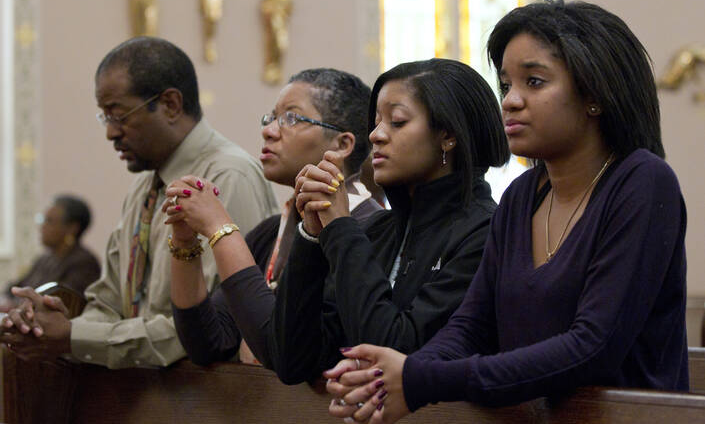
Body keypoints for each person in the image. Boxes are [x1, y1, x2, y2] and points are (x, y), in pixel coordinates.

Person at [325, 0, 688, 424]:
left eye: (534, 82)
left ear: (594, 95)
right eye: (506, 85)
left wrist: (423, 378)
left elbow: (592, 347)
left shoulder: (642, 183)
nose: (511, 101)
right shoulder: (520, 197)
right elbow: (471, 326)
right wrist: (398, 374)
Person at [0, 36, 278, 368]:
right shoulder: (144, 186)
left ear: (171, 105)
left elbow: (213, 327)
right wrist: (52, 328)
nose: (110, 133)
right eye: (105, 118)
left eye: (119, 115)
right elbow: (109, 303)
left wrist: (74, 336)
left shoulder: (229, 177)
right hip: (139, 395)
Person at [258, 58, 509, 385]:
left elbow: (397, 351)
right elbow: (293, 361)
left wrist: (340, 228)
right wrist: (311, 235)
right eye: (376, 122)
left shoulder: (486, 233)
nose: (376, 136)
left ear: (448, 135)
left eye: (398, 121)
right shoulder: (377, 231)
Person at [167, 68, 380, 366]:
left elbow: (282, 351)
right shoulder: (269, 233)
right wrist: (184, 241)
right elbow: (208, 343)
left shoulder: (372, 231)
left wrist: (219, 228)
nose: (268, 130)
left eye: (291, 118)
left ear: (342, 145)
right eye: (271, 118)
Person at [1, 195, 99, 311]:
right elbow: (13, 288)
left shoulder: (84, 263)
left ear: (72, 228)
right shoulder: (44, 259)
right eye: (42, 219)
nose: (42, 226)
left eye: (49, 221)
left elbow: (57, 303)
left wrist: (14, 306)